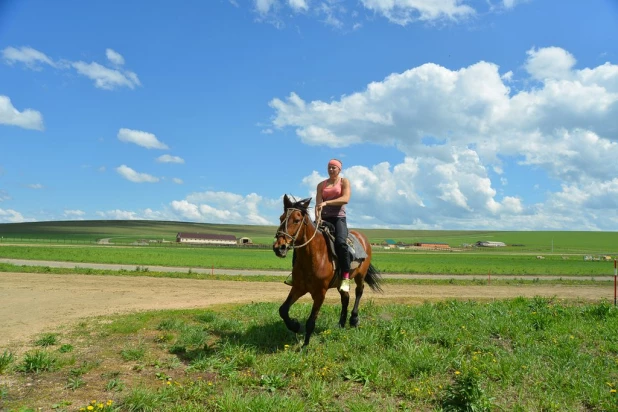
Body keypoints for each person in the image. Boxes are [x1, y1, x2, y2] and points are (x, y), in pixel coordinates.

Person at [284, 158, 352, 292]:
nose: (331, 169)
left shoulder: (344, 182)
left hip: (338, 218)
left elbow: (346, 199)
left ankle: (345, 277)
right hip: (323, 219)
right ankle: (294, 274)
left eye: (334, 167)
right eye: (329, 167)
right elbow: (318, 204)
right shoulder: (322, 184)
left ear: (339, 169)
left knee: (341, 243)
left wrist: (327, 203)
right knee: (301, 241)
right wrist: (318, 218)